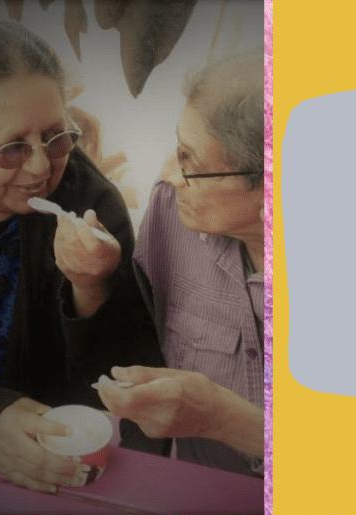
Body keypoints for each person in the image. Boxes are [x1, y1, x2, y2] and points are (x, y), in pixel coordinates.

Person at [0, 19, 163, 494]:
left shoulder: (92, 204)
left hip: (44, 456)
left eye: (56, 137)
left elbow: (123, 379)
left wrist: (92, 290)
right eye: (12, 147)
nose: (40, 168)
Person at [97, 51, 264, 477]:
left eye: (190, 161)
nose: (170, 174)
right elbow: (135, 340)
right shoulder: (172, 211)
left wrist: (224, 418)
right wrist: (90, 281)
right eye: (178, 148)